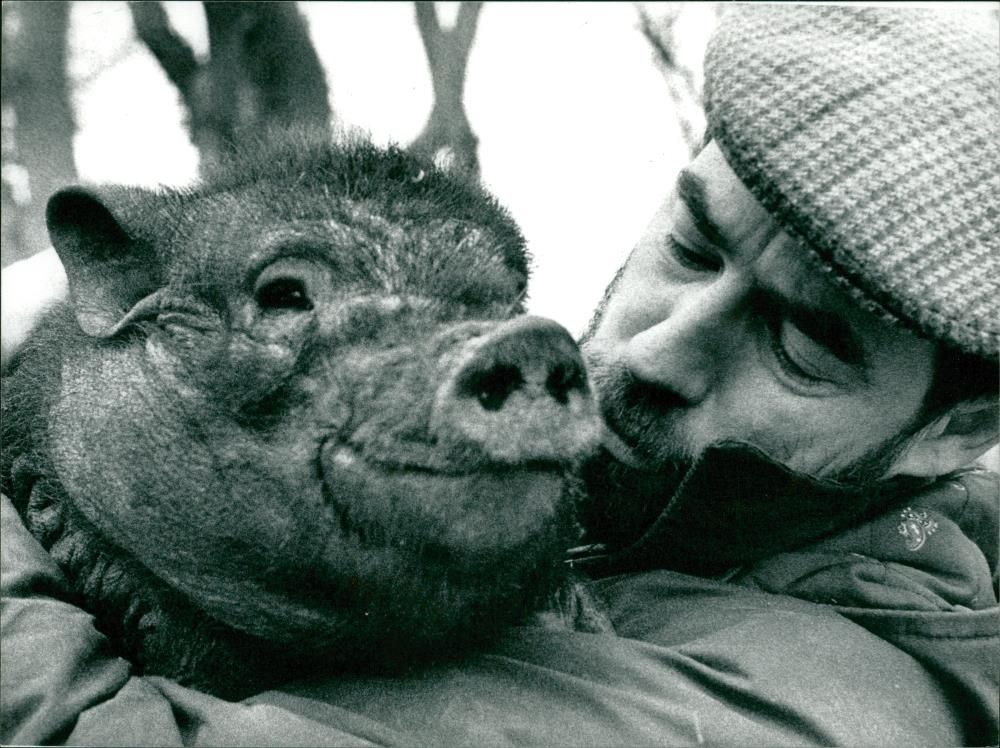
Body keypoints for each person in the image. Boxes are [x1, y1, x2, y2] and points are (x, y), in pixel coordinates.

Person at [3, 4, 997, 746]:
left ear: (957, 428)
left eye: (803, 346)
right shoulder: (632, 506)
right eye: (692, 247)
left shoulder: (819, 705)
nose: (656, 351)